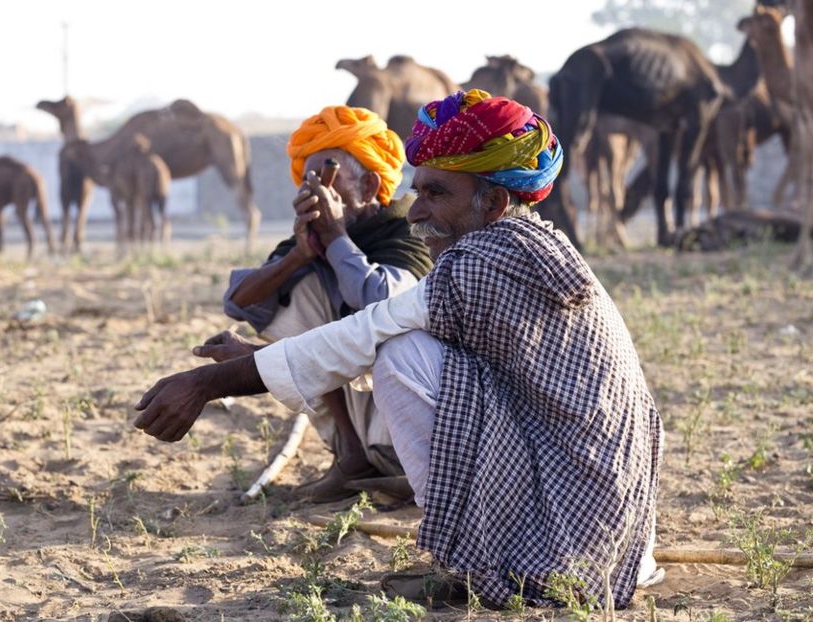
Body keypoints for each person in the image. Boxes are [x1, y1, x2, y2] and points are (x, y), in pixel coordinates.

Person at [134, 90, 663, 609]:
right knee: (390, 343)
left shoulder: (483, 261)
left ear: (495, 202)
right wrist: (263, 343)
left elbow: (369, 332)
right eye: (417, 191)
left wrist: (206, 383)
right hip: (602, 516)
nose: (416, 211)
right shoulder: (529, 243)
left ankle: (469, 566)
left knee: (400, 353)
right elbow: (269, 309)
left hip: (577, 522)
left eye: (436, 193)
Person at [207, 105, 431, 502]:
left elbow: (386, 305)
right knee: (301, 287)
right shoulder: (316, 235)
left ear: (368, 186)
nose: (314, 192)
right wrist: (301, 254)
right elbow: (239, 303)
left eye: (327, 179)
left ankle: (399, 465)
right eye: (307, 181)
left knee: (381, 324)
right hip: (360, 406)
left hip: (414, 408)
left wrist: (336, 238)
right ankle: (352, 456)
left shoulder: (408, 227)